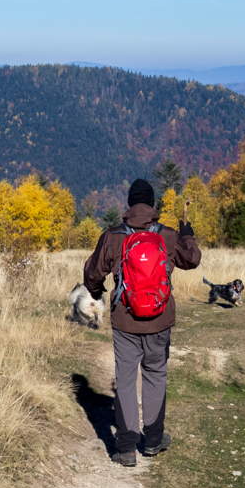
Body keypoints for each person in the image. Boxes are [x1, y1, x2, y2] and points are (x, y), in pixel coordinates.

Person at [82, 178, 201, 466]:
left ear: (129, 204)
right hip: (160, 320)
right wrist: (187, 233)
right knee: (155, 375)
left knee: (125, 379)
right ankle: (154, 439)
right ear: (152, 205)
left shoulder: (112, 236)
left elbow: (93, 273)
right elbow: (192, 259)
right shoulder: (168, 235)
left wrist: (97, 293)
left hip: (125, 320)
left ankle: (125, 447)